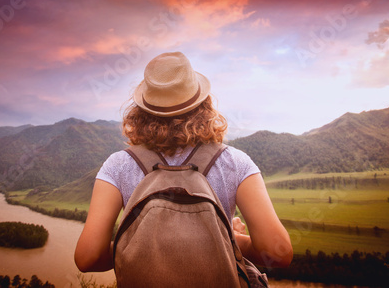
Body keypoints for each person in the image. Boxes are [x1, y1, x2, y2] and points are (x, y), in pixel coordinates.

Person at [75, 51, 293, 275]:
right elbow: (278, 252)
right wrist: (233, 240)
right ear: (204, 104)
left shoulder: (117, 166)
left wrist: (143, 250)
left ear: (141, 111)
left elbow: (88, 258)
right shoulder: (234, 162)